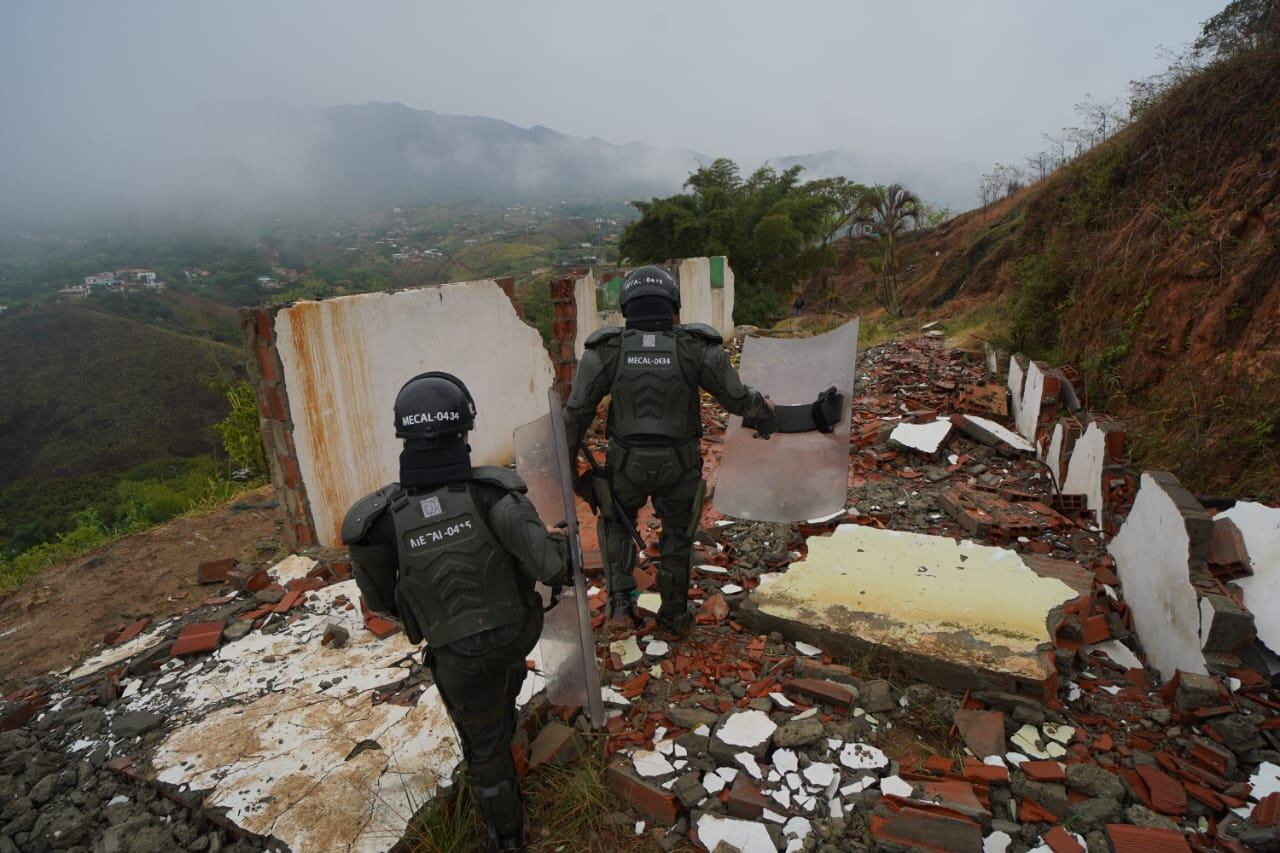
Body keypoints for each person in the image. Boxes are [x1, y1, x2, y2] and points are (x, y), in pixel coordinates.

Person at [343, 372, 568, 852]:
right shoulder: (494, 494)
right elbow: (549, 567)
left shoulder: (379, 520)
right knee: (499, 686)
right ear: (463, 430)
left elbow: (380, 602)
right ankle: (500, 729)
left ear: (404, 435)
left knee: (482, 745)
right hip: (516, 634)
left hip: (456, 654)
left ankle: (506, 836)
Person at [563, 266, 777, 634]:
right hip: (679, 465)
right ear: (673, 304)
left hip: (625, 464)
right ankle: (674, 615)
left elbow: (575, 415)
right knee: (678, 534)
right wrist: (767, 411)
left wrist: (569, 473)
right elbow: (737, 400)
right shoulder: (698, 348)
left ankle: (619, 607)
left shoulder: (605, 351)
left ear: (626, 306)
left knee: (615, 527)